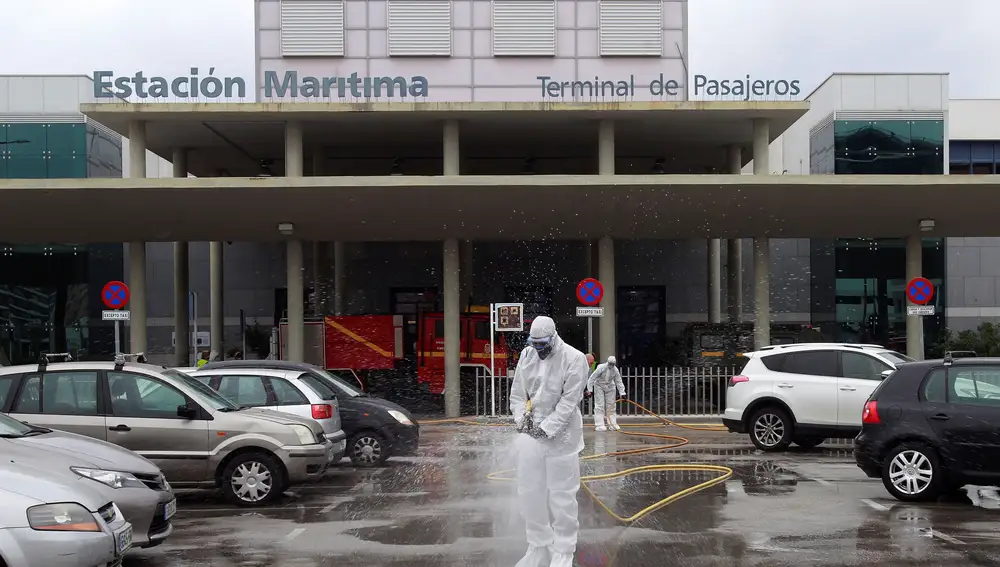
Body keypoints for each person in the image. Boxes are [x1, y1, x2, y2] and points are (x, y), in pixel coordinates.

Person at [509, 316, 588, 567]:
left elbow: (568, 403)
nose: (538, 349)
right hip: (531, 434)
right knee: (529, 491)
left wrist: (546, 429)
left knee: (561, 495)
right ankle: (538, 544)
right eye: (535, 344)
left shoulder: (574, 359)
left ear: (553, 337)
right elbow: (518, 394)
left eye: (542, 344)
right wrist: (521, 420)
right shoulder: (527, 355)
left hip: (562, 437)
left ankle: (564, 549)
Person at [585, 356, 626, 432]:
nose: (611, 365)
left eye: (613, 364)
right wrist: (590, 390)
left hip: (610, 387)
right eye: (610, 363)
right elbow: (592, 378)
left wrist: (622, 392)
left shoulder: (615, 370)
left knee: (611, 406)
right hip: (599, 386)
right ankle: (599, 424)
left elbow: (618, 381)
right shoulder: (601, 368)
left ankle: (612, 424)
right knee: (599, 405)